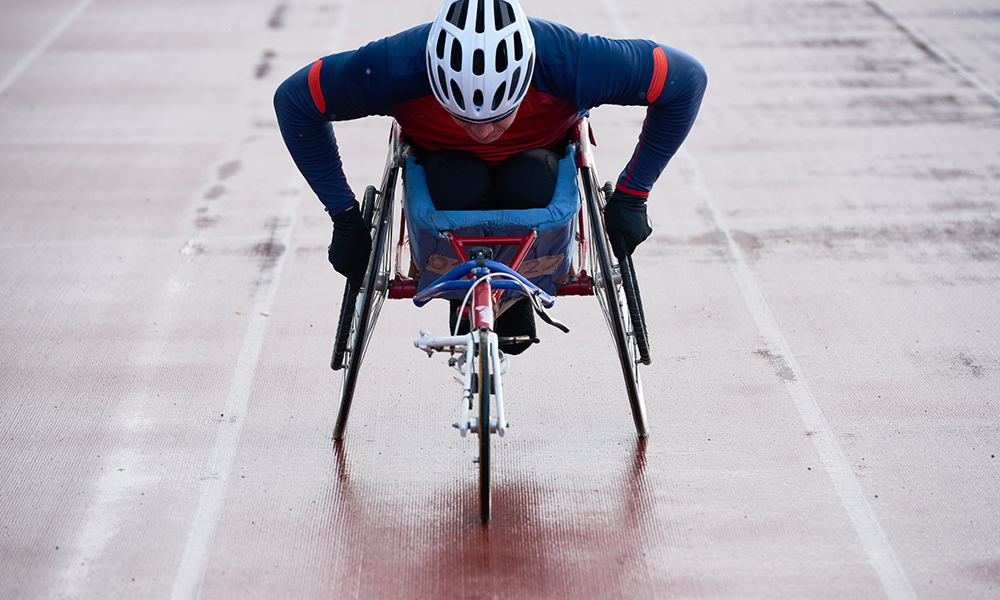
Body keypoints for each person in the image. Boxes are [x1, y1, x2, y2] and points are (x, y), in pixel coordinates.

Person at [274, 0, 707, 351]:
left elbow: (686, 80)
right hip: (444, 167)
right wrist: (343, 215)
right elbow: (294, 102)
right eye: (464, 117)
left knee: (531, 175)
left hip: (538, 161)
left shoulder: (573, 61)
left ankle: (518, 289)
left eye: (500, 117)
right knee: (454, 175)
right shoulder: (396, 65)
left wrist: (633, 193)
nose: (483, 132)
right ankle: (464, 286)